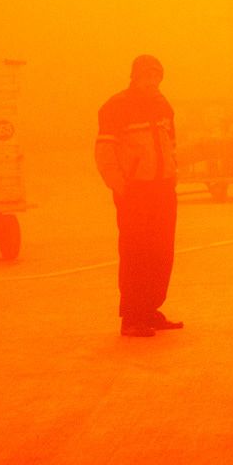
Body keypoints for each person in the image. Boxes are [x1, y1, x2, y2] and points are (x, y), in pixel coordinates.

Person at [95, 54, 182, 337]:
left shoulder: (162, 105)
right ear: (134, 76)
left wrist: (173, 176)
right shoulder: (116, 107)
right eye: (147, 75)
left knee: (162, 252)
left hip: (163, 189)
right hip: (136, 192)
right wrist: (122, 188)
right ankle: (132, 316)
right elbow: (105, 153)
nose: (152, 80)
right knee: (136, 253)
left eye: (157, 75)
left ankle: (150, 310)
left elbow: (171, 145)